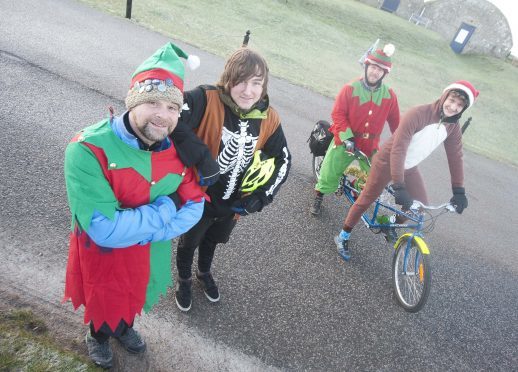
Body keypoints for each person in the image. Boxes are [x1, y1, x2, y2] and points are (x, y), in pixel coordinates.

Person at [62, 42, 213, 369]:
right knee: (104, 299)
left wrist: (150, 230)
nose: (163, 115)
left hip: (147, 251)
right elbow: (105, 230)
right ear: (133, 101)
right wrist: (168, 208)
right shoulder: (87, 149)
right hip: (103, 256)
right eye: (153, 102)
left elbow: (195, 205)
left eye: (172, 108)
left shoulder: (178, 150)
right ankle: (99, 335)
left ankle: (123, 326)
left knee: (134, 295)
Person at [174, 47, 291, 312]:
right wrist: (201, 156)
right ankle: (183, 278)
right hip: (199, 199)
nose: (248, 91)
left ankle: (203, 273)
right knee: (189, 241)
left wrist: (261, 196)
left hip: (233, 205)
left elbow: (283, 160)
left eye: (256, 83)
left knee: (213, 239)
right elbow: (170, 114)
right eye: (240, 81)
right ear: (228, 80)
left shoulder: (269, 118)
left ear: (264, 86)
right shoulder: (206, 98)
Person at [335, 80, 479, 261]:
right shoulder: (418, 114)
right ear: (444, 96)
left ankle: (388, 224)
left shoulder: (453, 128)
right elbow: (399, 149)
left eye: (460, 105)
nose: (453, 107)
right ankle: (343, 236)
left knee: (419, 208)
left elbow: (456, 157)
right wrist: (399, 185)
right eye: (451, 100)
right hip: (387, 162)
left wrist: (458, 190)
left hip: (409, 166)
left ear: (464, 108)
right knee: (366, 199)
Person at [310, 43, 400, 216]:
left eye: (380, 70)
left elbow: (396, 123)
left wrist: (402, 140)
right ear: (367, 66)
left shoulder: (389, 95)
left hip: (370, 144)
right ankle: (319, 196)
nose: (375, 72)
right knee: (329, 170)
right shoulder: (350, 88)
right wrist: (347, 137)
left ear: (384, 73)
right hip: (346, 140)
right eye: (373, 67)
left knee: (376, 177)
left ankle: (355, 191)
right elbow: (338, 114)